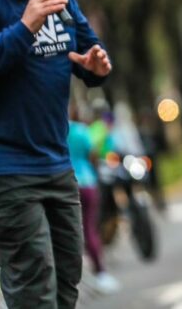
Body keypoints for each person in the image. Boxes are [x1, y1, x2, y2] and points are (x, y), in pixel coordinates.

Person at [0, 0, 112, 308]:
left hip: (56, 164)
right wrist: (26, 25)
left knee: (66, 283)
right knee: (34, 288)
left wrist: (95, 66)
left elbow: (87, 45)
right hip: (2, 168)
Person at [67, 107, 120, 294]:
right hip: (87, 183)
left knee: (67, 232)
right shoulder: (81, 131)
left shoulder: (51, 131)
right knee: (89, 228)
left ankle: (71, 280)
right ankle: (100, 274)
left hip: (64, 185)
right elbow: (93, 155)